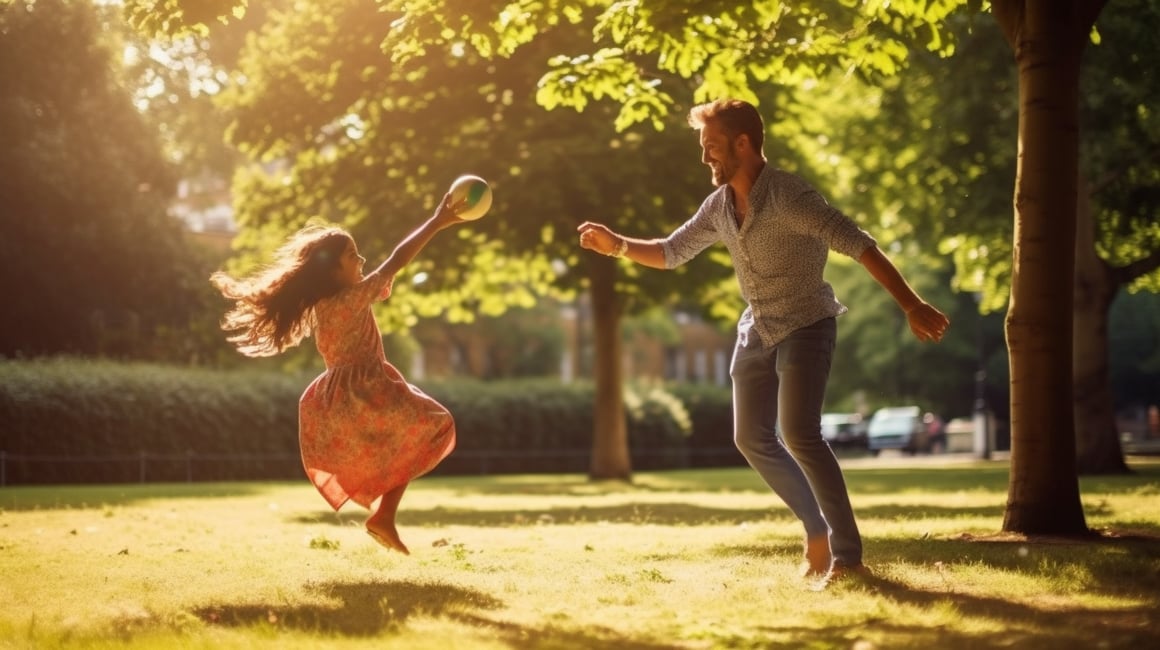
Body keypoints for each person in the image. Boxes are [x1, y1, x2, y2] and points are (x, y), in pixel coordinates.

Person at [577, 99, 950, 579]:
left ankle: (848, 557)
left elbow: (859, 244)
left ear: (743, 143)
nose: (705, 157)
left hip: (807, 323)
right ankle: (816, 529)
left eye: (712, 146)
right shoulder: (718, 206)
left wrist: (911, 303)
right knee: (749, 435)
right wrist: (620, 246)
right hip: (756, 329)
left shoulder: (792, 197)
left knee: (800, 434)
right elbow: (672, 252)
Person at [211, 194, 466, 555]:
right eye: (352, 257)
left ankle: (384, 516)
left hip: (335, 396)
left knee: (397, 443)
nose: (361, 261)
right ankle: (384, 516)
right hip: (367, 386)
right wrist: (436, 222)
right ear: (332, 271)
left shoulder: (326, 304)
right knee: (436, 425)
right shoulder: (350, 300)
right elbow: (396, 261)